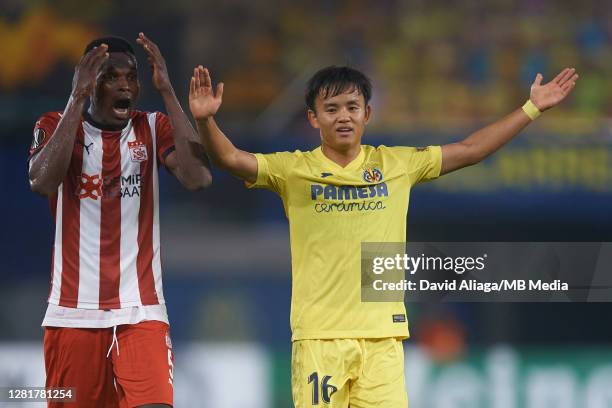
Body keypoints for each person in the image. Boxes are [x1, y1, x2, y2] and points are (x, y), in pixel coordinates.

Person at [188, 64, 577, 407]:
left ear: (367, 114)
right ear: (313, 118)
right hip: (321, 340)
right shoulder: (292, 170)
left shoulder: (396, 164)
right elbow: (230, 159)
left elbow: (471, 149)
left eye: (352, 107)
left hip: (383, 339)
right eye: (332, 109)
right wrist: (206, 121)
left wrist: (531, 108)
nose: (343, 117)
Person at [28, 33, 212, 408]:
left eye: (131, 76)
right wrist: (75, 100)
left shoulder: (152, 127)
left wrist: (167, 91)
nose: (124, 84)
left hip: (141, 313)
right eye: (110, 76)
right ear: (88, 83)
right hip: (72, 316)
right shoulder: (55, 123)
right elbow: (42, 181)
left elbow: (198, 178)